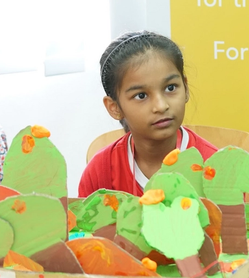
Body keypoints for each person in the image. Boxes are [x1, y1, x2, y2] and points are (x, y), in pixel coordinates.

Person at [79, 31, 218, 197]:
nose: (161, 106)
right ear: (114, 107)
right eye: (141, 96)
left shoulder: (214, 167)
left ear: (186, 88)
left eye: (170, 88)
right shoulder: (99, 172)